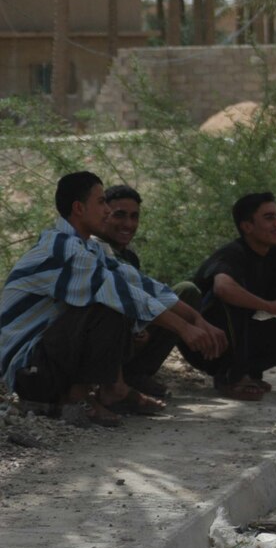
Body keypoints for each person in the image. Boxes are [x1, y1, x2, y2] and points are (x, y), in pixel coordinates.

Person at [0, 172, 227, 427]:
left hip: (48, 361)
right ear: (78, 208)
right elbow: (120, 294)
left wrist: (197, 320)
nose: (107, 210)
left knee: (119, 296)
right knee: (109, 303)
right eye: (101, 202)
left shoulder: (91, 248)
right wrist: (184, 329)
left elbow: (142, 284)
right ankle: (78, 398)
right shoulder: (62, 249)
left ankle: (111, 388)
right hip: (30, 372)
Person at [179, 192, 276, 402]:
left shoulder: (272, 255)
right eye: (269, 218)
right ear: (247, 226)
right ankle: (231, 376)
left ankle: (247, 371)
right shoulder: (233, 254)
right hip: (207, 343)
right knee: (234, 302)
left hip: (243, 338)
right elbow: (223, 289)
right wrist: (270, 306)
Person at [97, 184, 202, 398]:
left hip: (132, 329)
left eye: (134, 217)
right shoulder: (93, 251)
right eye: (120, 215)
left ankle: (135, 375)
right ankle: (109, 383)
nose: (128, 224)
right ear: (104, 215)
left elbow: (147, 295)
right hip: (101, 334)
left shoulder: (129, 256)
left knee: (185, 292)